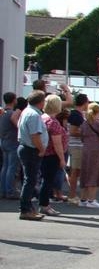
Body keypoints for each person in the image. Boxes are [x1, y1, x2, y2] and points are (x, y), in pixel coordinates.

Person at [17, 91, 48, 221]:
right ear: (40, 102)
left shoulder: (26, 111)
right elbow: (34, 135)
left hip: (27, 148)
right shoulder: (34, 115)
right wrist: (41, 149)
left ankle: (28, 208)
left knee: (30, 180)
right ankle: (25, 209)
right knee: (30, 181)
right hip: (31, 149)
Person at [37, 95, 68, 217]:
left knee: (45, 180)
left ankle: (44, 204)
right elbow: (57, 143)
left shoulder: (42, 118)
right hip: (51, 155)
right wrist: (62, 159)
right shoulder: (53, 122)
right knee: (47, 181)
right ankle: (44, 205)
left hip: (44, 153)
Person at [78, 103, 99, 208]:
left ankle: (83, 199)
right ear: (98, 111)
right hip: (98, 150)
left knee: (86, 173)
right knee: (95, 174)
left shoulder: (84, 123)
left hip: (87, 150)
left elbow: (81, 137)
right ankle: (91, 200)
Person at [65, 93, 88, 205]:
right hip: (76, 146)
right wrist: (86, 134)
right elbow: (73, 131)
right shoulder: (76, 115)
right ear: (84, 103)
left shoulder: (76, 114)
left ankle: (72, 194)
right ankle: (72, 195)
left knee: (75, 171)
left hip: (75, 145)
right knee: (75, 171)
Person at [0, 93, 19, 199]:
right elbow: (17, 125)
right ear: (14, 100)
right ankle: (10, 191)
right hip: (12, 142)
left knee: (5, 166)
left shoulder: (2, 113)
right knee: (12, 167)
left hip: (4, 141)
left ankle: (3, 190)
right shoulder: (12, 113)